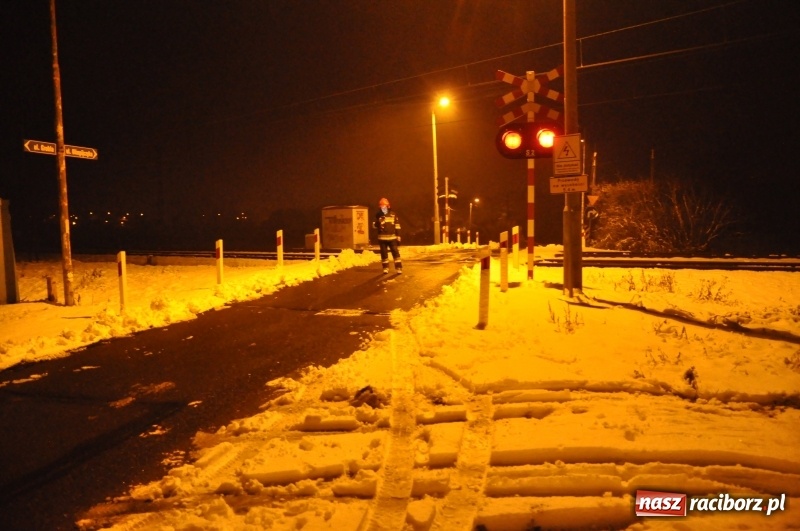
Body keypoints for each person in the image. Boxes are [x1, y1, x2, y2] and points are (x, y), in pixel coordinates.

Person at [373, 197, 402, 274]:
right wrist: (378, 222)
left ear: (388, 206)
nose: (383, 207)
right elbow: (374, 226)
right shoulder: (378, 215)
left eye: (384, 206)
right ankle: (385, 268)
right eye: (381, 206)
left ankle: (398, 267)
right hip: (382, 238)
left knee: (395, 252)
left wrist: (398, 235)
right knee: (384, 253)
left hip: (392, 237)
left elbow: (397, 225)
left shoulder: (393, 214)